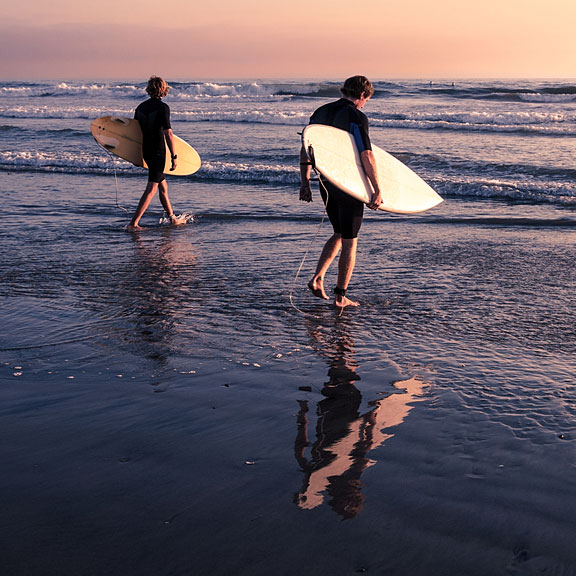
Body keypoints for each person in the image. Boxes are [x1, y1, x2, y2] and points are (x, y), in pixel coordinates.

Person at [299, 75, 383, 309]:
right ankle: (340, 296)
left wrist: (304, 182)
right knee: (350, 241)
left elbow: (306, 147)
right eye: (367, 99)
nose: (365, 103)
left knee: (339, 232)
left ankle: (318, 278)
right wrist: (377, 189)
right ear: (363, 95)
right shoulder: (357, 116)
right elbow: (366, 154)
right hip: (348, 185)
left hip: (326, 182)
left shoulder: (321, 112)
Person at [127, 76, 187, 231]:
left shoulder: (140, 108)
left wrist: (136, 155)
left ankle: (172, 218)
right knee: (152, 188)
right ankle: (133, 224)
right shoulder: (163, 108)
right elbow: (168, 134)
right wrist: (174, 156)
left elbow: (135, 134)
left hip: (146, 151)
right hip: (158, 152)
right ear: (163, 89)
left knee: (163, 186)